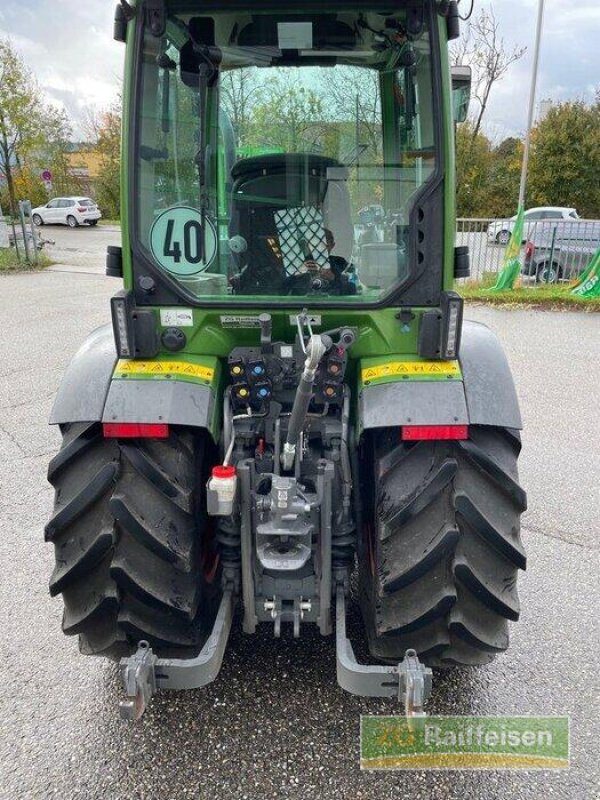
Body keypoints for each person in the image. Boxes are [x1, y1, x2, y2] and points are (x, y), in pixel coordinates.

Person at [296, 228, 358, 296]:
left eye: (325, 245)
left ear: (332, 245)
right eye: (315, 245)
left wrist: (334, 279)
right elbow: (284, 291)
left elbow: (353, 289)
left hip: (333, 305)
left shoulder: (340, 263)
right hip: (302, 305)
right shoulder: (297, 264)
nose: (319, 249)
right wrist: (297, 275)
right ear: (308, 245)